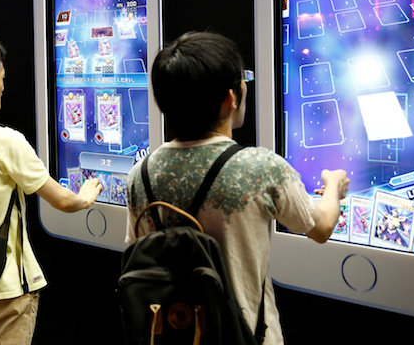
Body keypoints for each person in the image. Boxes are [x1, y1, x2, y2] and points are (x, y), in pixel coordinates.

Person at [125, 31, 349, 345]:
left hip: (173, 333)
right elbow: (321, 226)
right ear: (231, 98)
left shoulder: (140, 174)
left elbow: (135, 250)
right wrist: (334, 184)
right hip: (247, 335)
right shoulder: (260, 167)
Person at [0, 32, 102, 345]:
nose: (3, 85)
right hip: (4, 287)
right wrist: (85, 197)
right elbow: (62, 201)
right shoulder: (4, 140)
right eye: (1, 78)